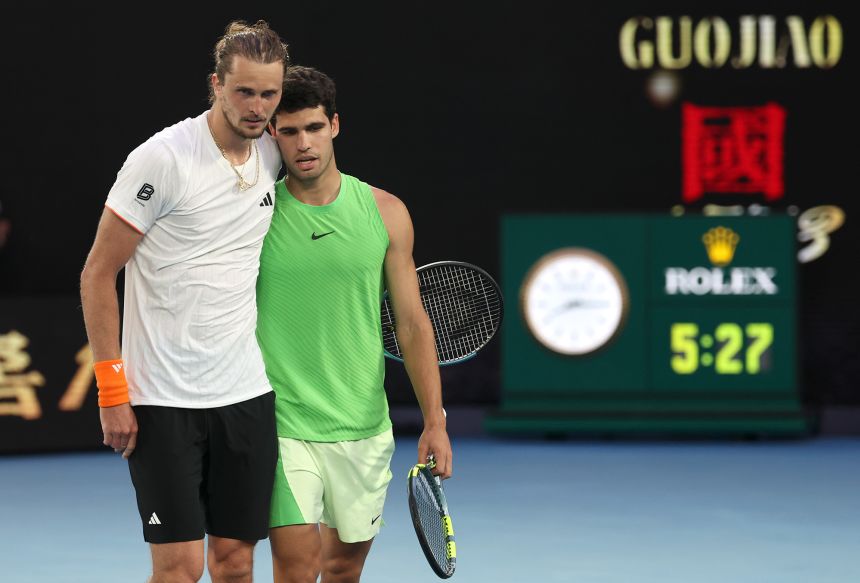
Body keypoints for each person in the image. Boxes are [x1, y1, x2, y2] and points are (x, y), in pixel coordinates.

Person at [79, 20, 289, 583]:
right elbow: (98, 275)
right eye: (244, 91)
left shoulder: (274, 153)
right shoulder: (162, 159)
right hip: (162, 400)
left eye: (270, 94)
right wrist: (112, 391)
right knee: (178, 569)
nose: (257, 106)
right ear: (216, 84)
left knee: (236, 563)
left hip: (245, 393)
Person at [256, 65, 453, 583]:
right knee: (296, 566)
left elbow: (411, 324)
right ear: (272, 134)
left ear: (335, 125)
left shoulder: (385, 213)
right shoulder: (255, 216)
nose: (304, 144)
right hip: (282, 423)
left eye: (314, 128)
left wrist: (435, 420)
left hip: (363, 425)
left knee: (343, 568)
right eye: (290, 130)